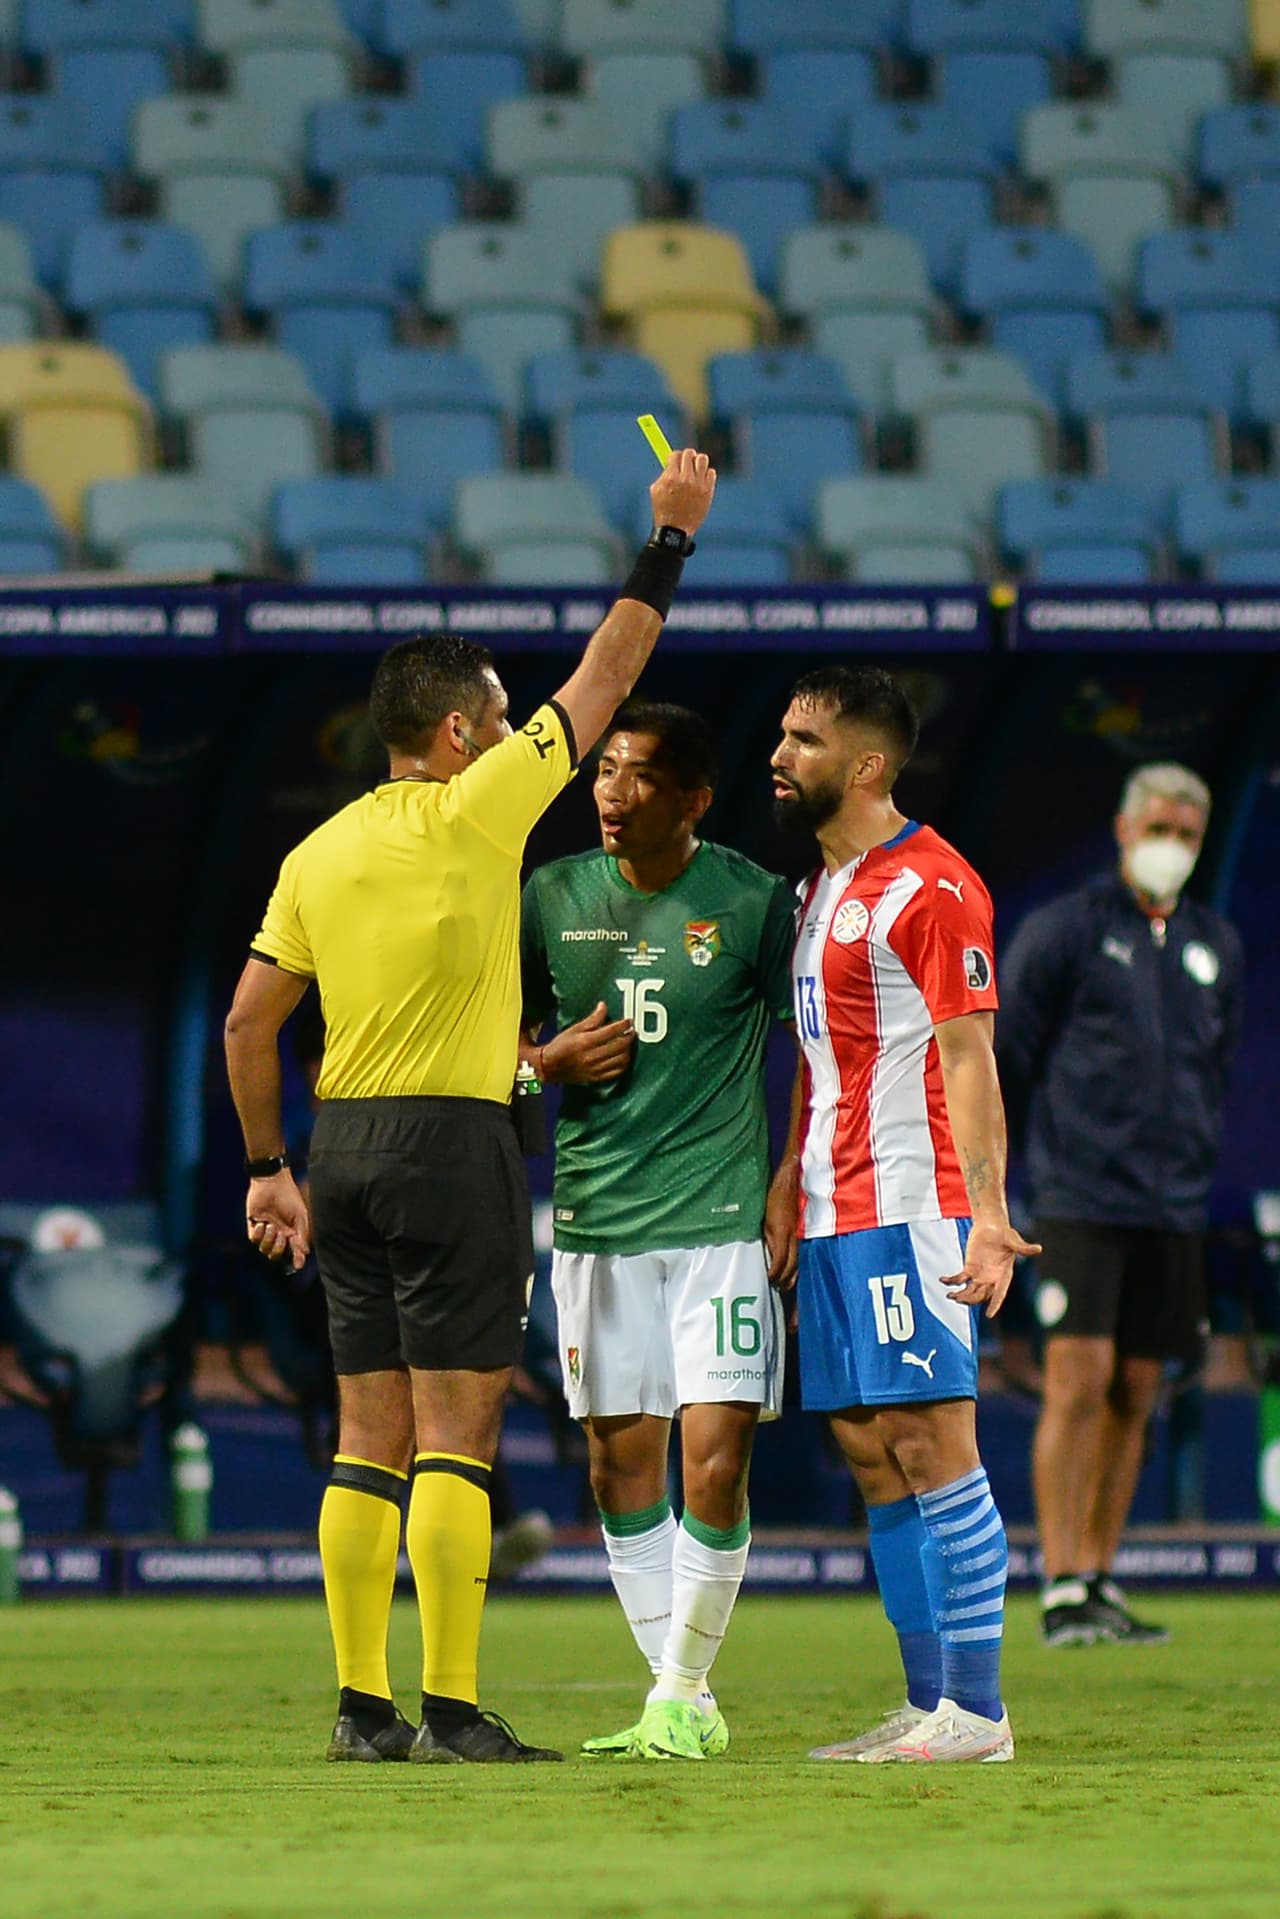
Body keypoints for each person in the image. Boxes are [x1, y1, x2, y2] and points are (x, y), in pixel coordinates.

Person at [223, 448, 717, 1766]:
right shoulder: (478, 808)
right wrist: (666, 539)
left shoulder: (316, 852)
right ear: (456, 734)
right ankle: (448, 1706)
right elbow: (606, 676)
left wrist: (269, 1165)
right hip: (453, 1147)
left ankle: (358, 1705)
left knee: (363, 1430)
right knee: (460, 1426)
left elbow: (248, 1021)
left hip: (343, 1145)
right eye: (497, 721)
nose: (513, 738)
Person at [519, 700, 797, 1761]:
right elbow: (487, 1038)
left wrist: (788, 1179)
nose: (608, 791)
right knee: (614, 1463)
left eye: (637, 775)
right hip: (595, 1221)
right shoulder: (550, 895)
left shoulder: (751, 900)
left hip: (720, 1216)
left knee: (715, 1463)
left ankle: (677, 1692)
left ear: (693, 798)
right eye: (602, 771)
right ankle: (675, 1694)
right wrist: (544, 1064)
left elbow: (808, 1044)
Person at [770, 665, 1037, 1764]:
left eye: (803, 740)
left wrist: (986, 1214)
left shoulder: (929, 885)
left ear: (867, 766)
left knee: (934, 1442)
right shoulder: (819, 889)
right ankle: (927, 1698)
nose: (778, 756)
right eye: (781, 736)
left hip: (913, 1203)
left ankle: (978, 1710)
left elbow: (971, 1056)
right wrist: (789, 1175)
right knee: (871, 1451)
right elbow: (817, 1057)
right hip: (833, 1210)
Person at [998, 762, 1243, 1648]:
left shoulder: (1215, 942)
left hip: (1173, 1205)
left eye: (1187, 832)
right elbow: (1009, 1052)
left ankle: (1100, 1575)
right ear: (1124, 828)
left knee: (1138, 1387)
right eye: (1161, 828)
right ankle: (1060, 1582)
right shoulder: (1067, 929)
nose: (1172, 845)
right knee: (1077, 1379)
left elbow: (1215, 1070)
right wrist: (1020, 1173)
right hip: (1079, 1197)